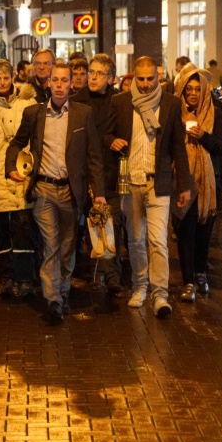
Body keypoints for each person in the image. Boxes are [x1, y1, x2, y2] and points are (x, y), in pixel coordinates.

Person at [5, 63, 106, 325]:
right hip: (44, 189)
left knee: (67, 246)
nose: (60, 85)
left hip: (73, 191)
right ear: (48, 82)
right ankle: (53, 300)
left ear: (72, 84)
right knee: (51, 244)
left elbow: (94, 156)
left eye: (65, 80)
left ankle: (63, 292)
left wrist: (99, 194)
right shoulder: (34, 113)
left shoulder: (84, 114)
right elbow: (16, 143)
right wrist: (10, 168)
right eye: (55, 80)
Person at [104, 56, 191, 318]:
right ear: (133, 76)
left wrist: (184, 184)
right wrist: (113, 141)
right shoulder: (120, 102)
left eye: (149, 79)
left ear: (158, 77)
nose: (144, 84)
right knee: (135, 239)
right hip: (130, 181)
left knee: (157, 240)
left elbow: (178, 145)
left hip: (158, 182)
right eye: (140, 79)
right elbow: (105, 133)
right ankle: (140, 286)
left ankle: (160, 293)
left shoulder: (171, 103)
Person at [0, 60, 38, 297]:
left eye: (6, 77)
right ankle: (5, 277)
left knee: (23, 227)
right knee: (0, 230)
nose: (2, 82)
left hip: (23, 170)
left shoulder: (28, 102)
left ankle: (25, 277)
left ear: (13, 77)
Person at [173, 68, 222, 302]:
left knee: (204, 231)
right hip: (183, 182)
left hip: (209, 184)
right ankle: (188, 280)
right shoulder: (175, 113)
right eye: (189, 89)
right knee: (185, 231)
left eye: (198, 89)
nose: (194, 93)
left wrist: (203, 137)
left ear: (205, 90)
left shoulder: (215, 114)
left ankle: (200, 274)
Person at [72, 53, 123, 293]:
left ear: (111, 77)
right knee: (82, 227)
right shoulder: (76, 101)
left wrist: (111, 139)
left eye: (99, 73)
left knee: (108, 224)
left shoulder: (120, 102)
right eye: (91, 72)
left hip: (109, 173)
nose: (92, 77)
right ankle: (87, 271)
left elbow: (124, 132)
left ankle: (112, 275)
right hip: (81, 173)